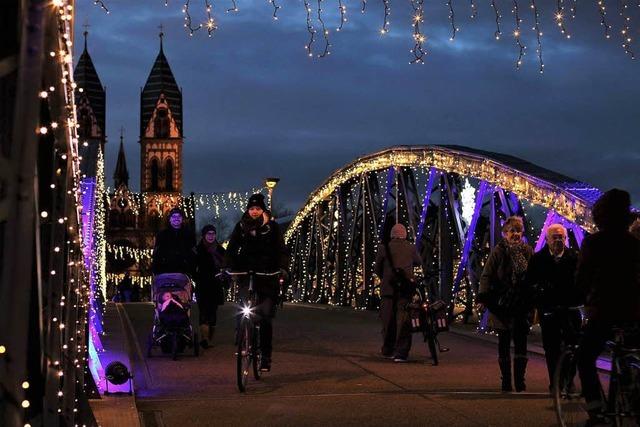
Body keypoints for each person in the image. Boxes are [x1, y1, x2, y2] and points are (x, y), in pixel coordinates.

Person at [575, 189, 640, 424]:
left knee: (584, 358)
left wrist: (575, 299)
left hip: (604, 311)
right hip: (632, 311)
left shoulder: (594, 242)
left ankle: (596, 412)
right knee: (629, 352)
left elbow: (582, 280)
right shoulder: (634, 244)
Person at [225, 193, 288, 372]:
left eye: (258, 209)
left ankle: (266, 356)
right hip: (247, 273)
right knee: (244, 309)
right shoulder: (241, 226)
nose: (254, 212)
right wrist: (226, 266)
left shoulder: (273, 227)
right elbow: (232, 248)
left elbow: (281, 250)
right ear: (248, 210)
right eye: (251, 208)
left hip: (267, 275)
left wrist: (282, 268)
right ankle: (243, 335)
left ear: (263, 210)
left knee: (266, 316)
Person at [477, 216, 534, 392]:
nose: (515, 234)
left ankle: (520, 381)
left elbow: (533, 275)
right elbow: (487, 275)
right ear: (505, 233)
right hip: (502, 304)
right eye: (512, 231)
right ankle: (506, 381)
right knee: (503, 343)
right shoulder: (498, 252)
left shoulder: (527, 251)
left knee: (521, 343)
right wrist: (482, 297)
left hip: (521, 304)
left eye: (518, 231)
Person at [526, 224, 581, 392]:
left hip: (571, 309)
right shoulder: (538, 259)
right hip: (549, 310)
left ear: (566, 239)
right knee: (551, 349)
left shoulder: (575, 257)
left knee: (573, 347)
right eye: (554, 237)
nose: (558, 240)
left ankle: (569, 379)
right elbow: (530, 283)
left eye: (561, 237)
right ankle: (555, 383)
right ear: (548, 239)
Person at [374, 223, 422, 363]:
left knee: (387, 321)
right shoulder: (411, 247)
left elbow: (377, 268)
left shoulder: (384, 248)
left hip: (388, 290)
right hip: (405, 291)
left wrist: (386, 277)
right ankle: (401, 353)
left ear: (392, 234)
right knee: (404, 321)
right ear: (404, 234)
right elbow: (419, 262)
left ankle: (388, 349)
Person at [194, 224, 226, 349]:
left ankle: (209, 338)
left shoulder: (220, 249)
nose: (211, 236)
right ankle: (204, 339)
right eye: (208, 234)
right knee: (203, 311)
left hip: (215, 284)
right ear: (204, 235)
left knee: (213, 312)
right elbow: (193, 266)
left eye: (213, 234)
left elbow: (226, 263)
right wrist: (197, 277)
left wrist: (224, 275)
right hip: (202, 284)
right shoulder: (197, 250)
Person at [151, 207, 196, 276]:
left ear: (182, 219)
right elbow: (157, 253)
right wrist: (156, 270)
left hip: (184, 271)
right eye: (174, 216)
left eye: (179, 216)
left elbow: (192, 253)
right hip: (165, 271)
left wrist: (191, 268)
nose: (176, 218)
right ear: (170, 219)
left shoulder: (189, 234)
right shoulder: (162, 234)